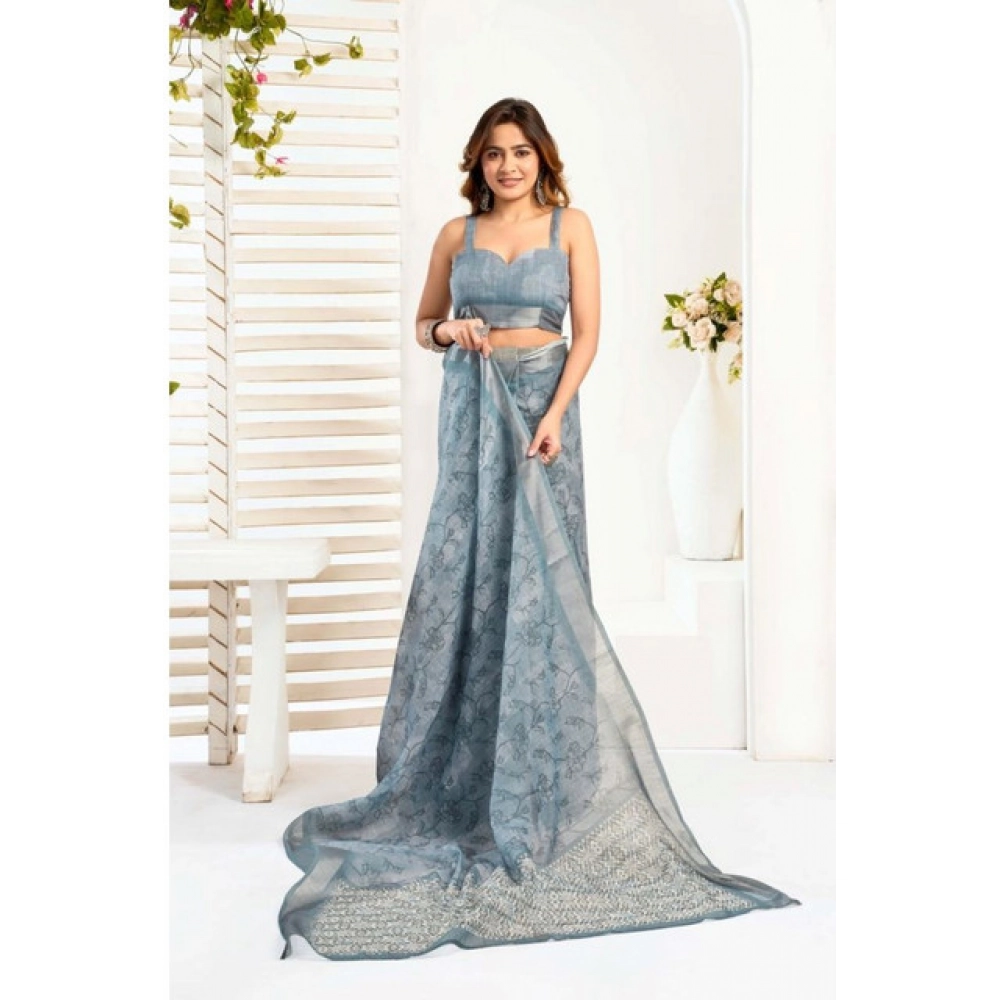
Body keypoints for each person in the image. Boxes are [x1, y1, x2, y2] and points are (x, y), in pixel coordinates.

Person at [277, 97, 800, 962]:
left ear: (541, 158)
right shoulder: (456, 235)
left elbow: (587, 335)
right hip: (471, 407)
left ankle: (542, 777)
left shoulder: (571, 227)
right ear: (478, 163)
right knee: (467, 572)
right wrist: (451, 328)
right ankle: (455, 770)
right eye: (494, 153)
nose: (509, 165)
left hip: (544, 409)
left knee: (540, 581)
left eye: (520, 151)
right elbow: (422, 326)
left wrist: (554, 414)